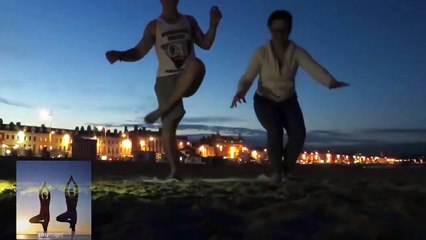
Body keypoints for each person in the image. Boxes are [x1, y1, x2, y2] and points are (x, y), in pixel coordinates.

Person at [106, 0, 222, 179]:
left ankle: (162, 108)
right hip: (165, 79)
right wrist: (120, 55)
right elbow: (138, 52)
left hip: (188, 75)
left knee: (197, 64)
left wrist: (214, 25)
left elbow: (206, 44)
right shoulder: (154, 26)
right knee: (169, 125)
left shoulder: (188, 21)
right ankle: (175, 171)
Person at [231, 10, 349, 185]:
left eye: (284, 31)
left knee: (298, 134)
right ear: (269, 30)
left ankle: (287, 169)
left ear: (290, 30)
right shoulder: (261, 53)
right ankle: (277, 173)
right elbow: (248, 76)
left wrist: (330, 81)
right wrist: (241, 91)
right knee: (275, 130)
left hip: (288, 101)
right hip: (265, 100)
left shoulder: (296, 52)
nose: (280, 35)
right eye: (275, 31)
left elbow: (313, 67)